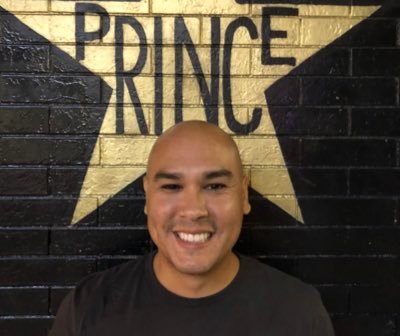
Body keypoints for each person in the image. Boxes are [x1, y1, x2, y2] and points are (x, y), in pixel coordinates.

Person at [49, 120, 335, 335]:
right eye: (171, 186)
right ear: (147, 197)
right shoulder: (86, 308)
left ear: (244, 195)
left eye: (215, 186)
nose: (194, 210)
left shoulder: (299, 313)